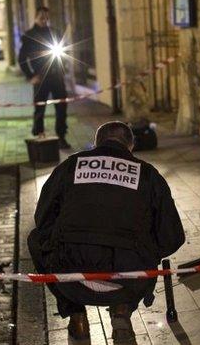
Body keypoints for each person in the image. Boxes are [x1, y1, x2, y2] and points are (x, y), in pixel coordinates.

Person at [28, 121, 185, 342]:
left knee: (35, 239)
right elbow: (173, 236)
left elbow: (43, 219)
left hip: (71, 277)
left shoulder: (70, 166)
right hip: (129, 281)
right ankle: (121, 310)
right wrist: (147, 252)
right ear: (131, 145)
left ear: (96, 143)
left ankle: (76, 315)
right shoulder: (148, 174)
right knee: (145, 247)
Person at [18, 6, 71, 149]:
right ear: (35, 17)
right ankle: (39, 137)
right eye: (41, 17)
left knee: (61, 107)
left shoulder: (54, 33)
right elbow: (22, 59)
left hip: (56, 76)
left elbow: (63, 50)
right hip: (40, 77)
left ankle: (61, 136)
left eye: (46, 17)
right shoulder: (29, 35)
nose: (44, 20)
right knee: (40, 108)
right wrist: (31, 76)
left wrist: (63, 67)